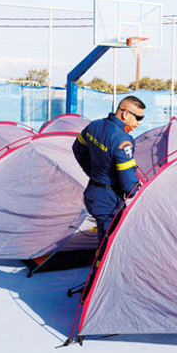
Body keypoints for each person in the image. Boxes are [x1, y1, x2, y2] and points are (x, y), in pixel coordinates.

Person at [72, 96, 145, 250]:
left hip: (93, 192)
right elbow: (129, 186)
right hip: (109, 200)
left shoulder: (94, 126)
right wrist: (137, 190)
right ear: (125, 114)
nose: (140, 123)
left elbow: (77, 149)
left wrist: (94, 173)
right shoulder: (123, 141)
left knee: (104, 239)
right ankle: (98, 266)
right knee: (108, 246)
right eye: (138, 118)